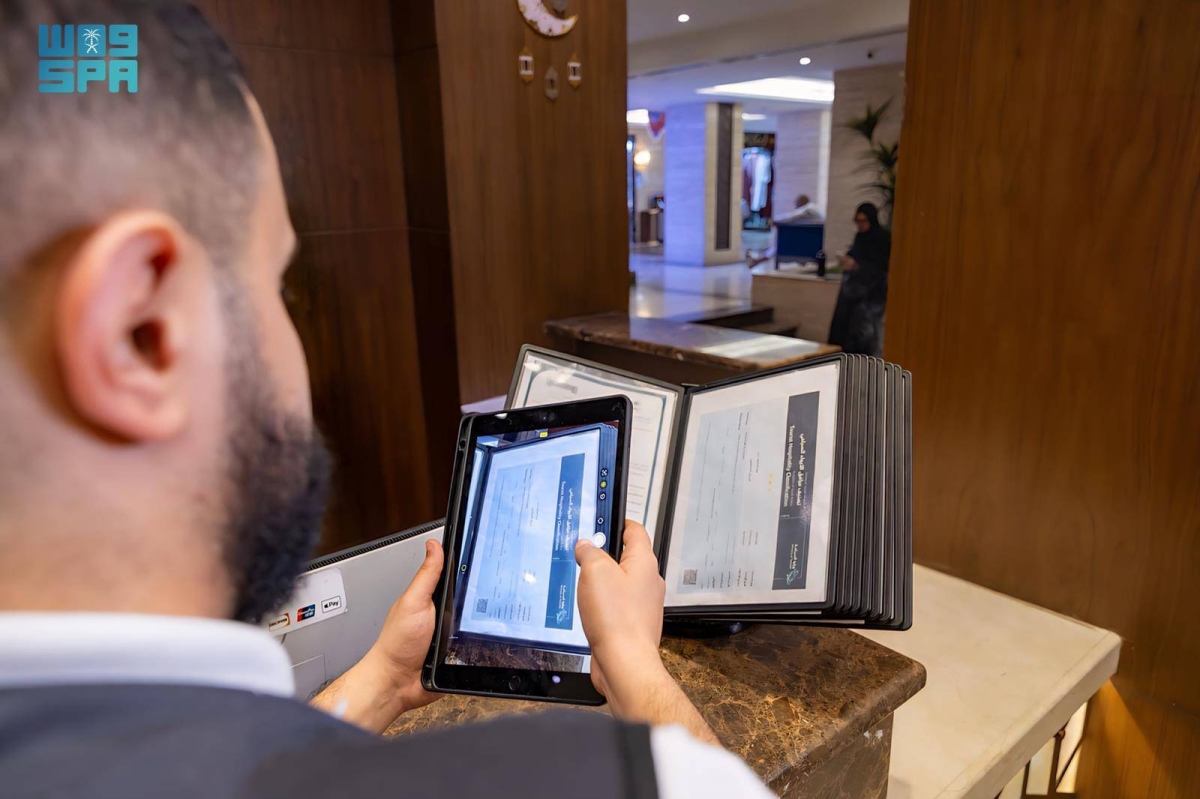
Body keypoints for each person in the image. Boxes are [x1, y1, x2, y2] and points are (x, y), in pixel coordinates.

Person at [0, 2, 772, 797]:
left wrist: (383, 679)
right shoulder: (625, 779)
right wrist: (636, 665)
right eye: (277, 286)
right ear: (140, 332)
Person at [827, 203, 891, 355]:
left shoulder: (882, 238)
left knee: (866, 335)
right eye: (858, 221)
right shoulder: (860, 237)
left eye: (863, 221)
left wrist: (857, 266)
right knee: (846, 331)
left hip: (872, 295)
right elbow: (856, 255)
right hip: (853, 293)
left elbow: (880, 266)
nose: (860, 225)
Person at [746, 193, 823, 268]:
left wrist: (774, 221)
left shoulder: (808, 208)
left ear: (801, 202)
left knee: (782, 242)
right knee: (780, 243)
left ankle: (757, 260)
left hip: (807, 240)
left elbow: (792, 217)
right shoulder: (813, 209)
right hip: (811, 239)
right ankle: (758, 259)